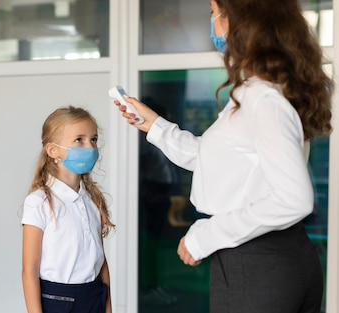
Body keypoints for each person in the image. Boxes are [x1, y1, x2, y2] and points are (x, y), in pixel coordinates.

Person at [114, 0, 333, 312]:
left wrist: (206, 234)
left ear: (239, 22)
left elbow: (293, 199)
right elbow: (215, 159)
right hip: (273, 258)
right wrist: (153, 125)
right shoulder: (263, 92)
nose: (212, 24)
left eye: (213, 13)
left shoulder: (262, 99)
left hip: (257, 262)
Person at [21, 106, 114, 313]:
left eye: (94, 139)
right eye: (79, 139)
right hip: (58, 302)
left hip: (94, 297)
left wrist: (108, 308)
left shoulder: (92, 199)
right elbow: (29, 270)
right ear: (53, 150)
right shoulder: (39, 202)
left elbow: (101, 262)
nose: (89, 146)